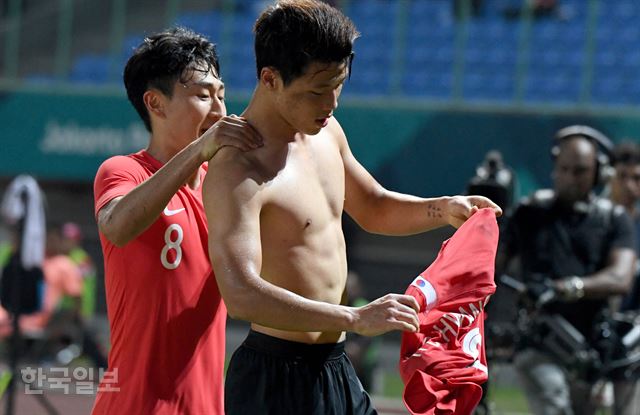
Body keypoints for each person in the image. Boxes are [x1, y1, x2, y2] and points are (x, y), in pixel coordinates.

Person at [202, 1, 501, 413]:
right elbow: (241, 295)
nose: (332, 103)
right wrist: (355, 319)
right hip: (274, 379)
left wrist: (443, 209)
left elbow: (373, 207)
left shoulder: (327, 133)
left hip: (337, 367)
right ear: (269, 79)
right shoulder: (236, 169)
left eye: (338, 85)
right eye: (317, 90)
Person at [92, 28, 262, 414]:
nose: (219, 110)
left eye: (221, 94)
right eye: (203, 96)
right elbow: (117, 226)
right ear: (156, 103)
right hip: (135, 405)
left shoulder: (224, 189)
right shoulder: (122, 171)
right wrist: (200, 150)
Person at [496, 125, 637, 415]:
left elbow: (620, 277)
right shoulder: (529, 213)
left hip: (591, 347)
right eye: (565, 169)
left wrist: (566, 287)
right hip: (537, 340)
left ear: (598, 174)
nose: (570, 178)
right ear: (554, 168)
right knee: (554, 405)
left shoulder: (613, 219)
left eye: (580, 171)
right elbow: (490, 268)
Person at [608, 141, 640, 414]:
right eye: (623, 177)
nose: (630, 186)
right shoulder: (591, 221)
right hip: (587, 332)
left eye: (637, 179)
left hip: (633, 341)